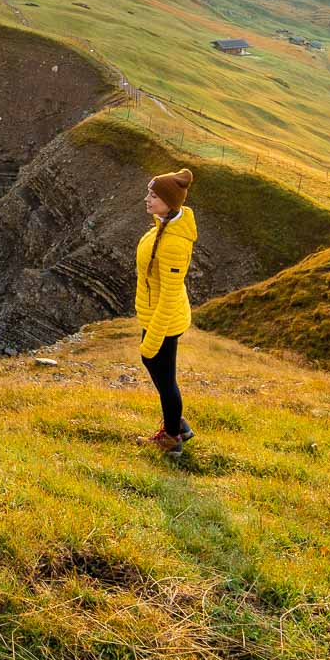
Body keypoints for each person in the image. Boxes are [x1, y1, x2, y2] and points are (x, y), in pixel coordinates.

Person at [135, 167, 196, 456]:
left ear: (169, 203)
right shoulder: (163, 226)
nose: (147, 199)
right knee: (155, 367)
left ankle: (173, 437)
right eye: (149, 192)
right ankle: (177, 422)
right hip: (155, 314)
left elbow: (170, 296)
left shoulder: (173, 242)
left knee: (165, 377)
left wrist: (153, 338)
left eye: (153, 195)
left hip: (166, 318)